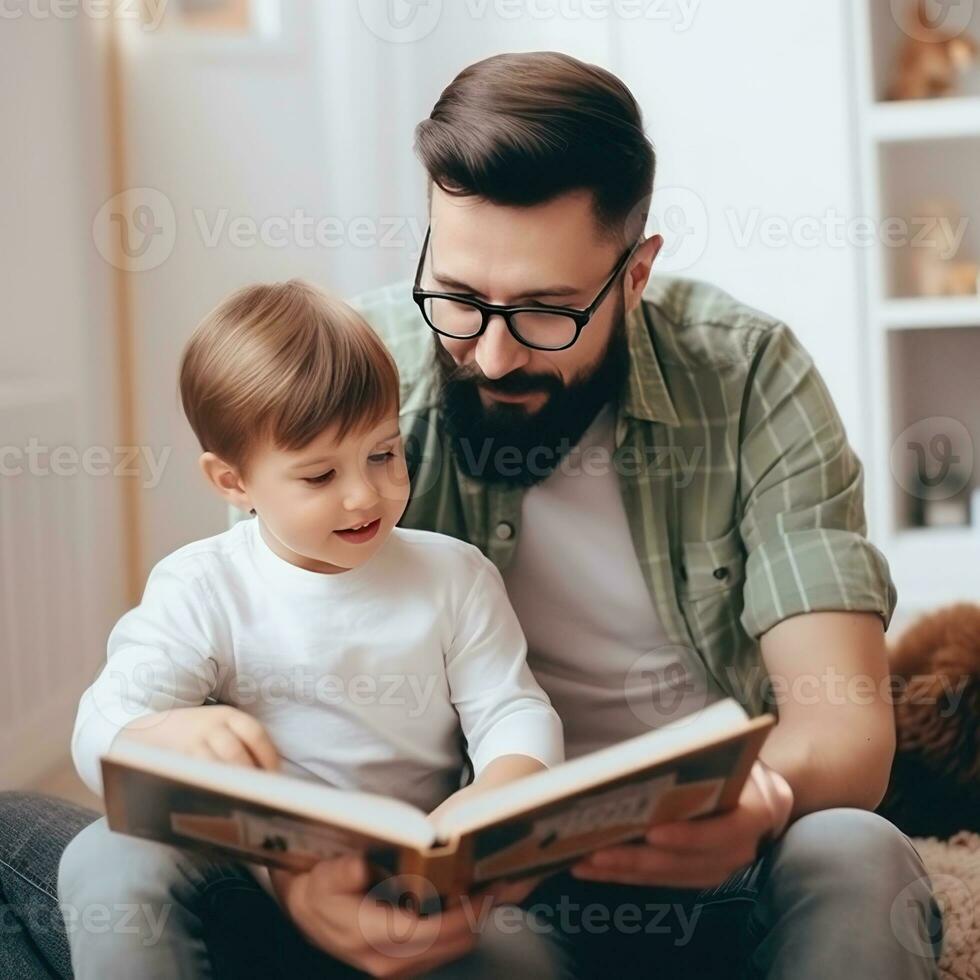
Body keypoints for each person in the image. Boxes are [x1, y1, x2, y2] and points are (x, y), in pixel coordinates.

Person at [1, 51, 942, 979]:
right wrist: (290, 877)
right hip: (457, 893)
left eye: (545, 312)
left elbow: (847, 728)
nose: (490, 356)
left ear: (637, 271)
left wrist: (759, 801)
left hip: (705, 869)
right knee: (49, 850)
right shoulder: (366, 374)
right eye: (458, 297)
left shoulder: (748, 379)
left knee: (857, 853)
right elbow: (224, 659)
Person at [55, 279, 565, 978]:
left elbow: (512, 709)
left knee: (523, 953)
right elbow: (99, 726)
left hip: (404, 891)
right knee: (103, 858)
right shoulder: (205, 585)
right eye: (320, 475)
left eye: (384, 455)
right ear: (232, 482)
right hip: (255, 880)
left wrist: (502, 787)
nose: (365, 495)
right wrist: (157, 735)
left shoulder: (455, 578)